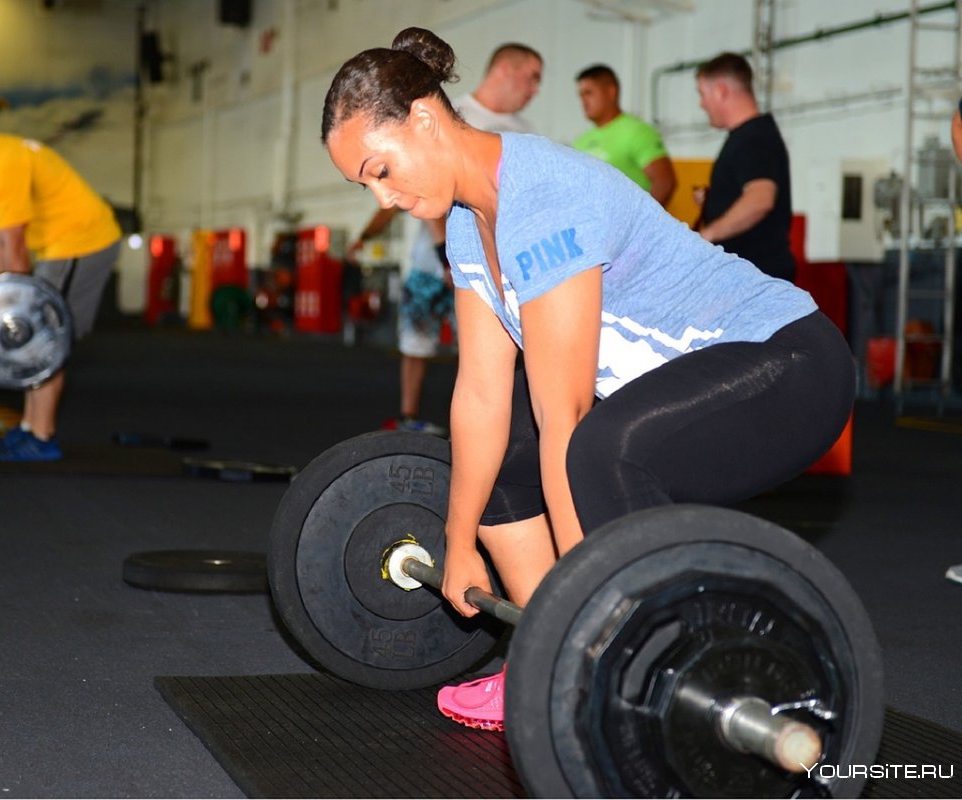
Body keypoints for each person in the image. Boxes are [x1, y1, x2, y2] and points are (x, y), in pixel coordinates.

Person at [321, 28, 855, 731]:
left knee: (600, 452)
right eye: (365, 184)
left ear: (423, 117)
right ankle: (552, 659)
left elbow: (564, 413)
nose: (381, 197)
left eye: (380, 169)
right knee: (507, 466)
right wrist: (457, 545)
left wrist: (587, 604)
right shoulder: (461, 222)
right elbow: (482, 392)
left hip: (788, 363)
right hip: (694, 383)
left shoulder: (543, 197)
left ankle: (637, 662)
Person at [347, 43, 543, 435]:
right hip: (432, 261)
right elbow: (419, 194)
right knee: (416, 341)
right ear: (505, 69)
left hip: (493, 264)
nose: (537, 88)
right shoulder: (453, 117)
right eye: (532, 77)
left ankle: (485, 431)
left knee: (481, 351)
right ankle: (408, 417)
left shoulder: (525, 134)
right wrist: (445, 257)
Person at [0, 100, 122, 462]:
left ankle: (42, 437)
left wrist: (14, 310)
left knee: (44, 338)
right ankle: (30, 428)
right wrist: (3, 304)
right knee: (32, 337)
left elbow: (13, 244)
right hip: (60, 246)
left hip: (84, 240)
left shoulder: (3, 163)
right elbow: (1, 243)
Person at [694, 52, 796, 282]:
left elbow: (760, 199)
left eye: (702, 94)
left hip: (756, 278)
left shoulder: (753, 138)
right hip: (750, 275)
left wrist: (708, 235)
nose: (701, 104)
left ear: (721, 90)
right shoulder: (749, 136)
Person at [572, 63, 675, 206]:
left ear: (611, 91)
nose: (583, 101)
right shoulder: (580, 141)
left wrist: (637, 223)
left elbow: (664, 182)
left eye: (589, 93)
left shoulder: (637, 132)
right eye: (581, 95)